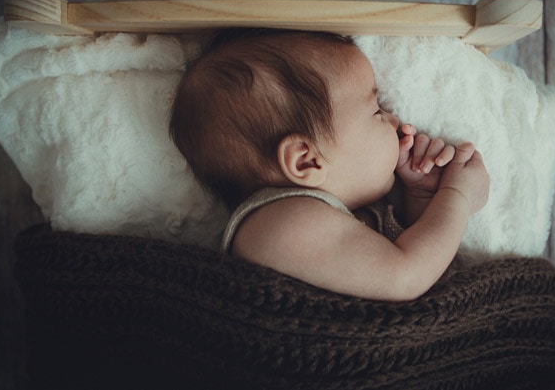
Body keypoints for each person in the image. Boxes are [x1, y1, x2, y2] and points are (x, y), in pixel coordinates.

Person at [171, 29, 489, 301]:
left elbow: (423, 272)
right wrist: (457, 197)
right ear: (306, 160)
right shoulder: (280, 224)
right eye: (376, 110)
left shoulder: (342, 214)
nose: (394, 119)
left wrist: (421, 196)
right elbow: (405, 276)